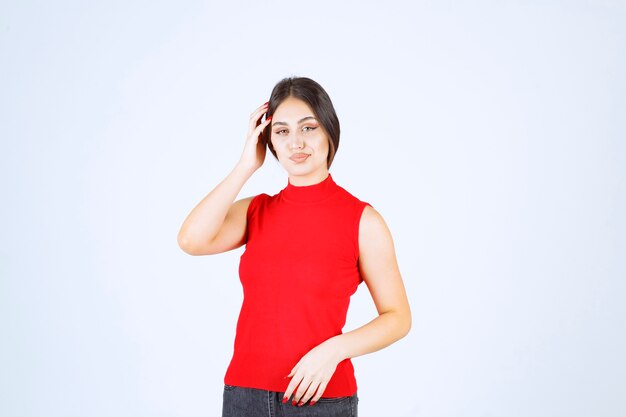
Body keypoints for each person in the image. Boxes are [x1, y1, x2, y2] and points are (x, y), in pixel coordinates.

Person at [177, 77, 411, 417]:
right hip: (245, 396)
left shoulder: (363, 220)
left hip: (321, 399)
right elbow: (191, 240)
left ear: (329, 131)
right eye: (282, 131)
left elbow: (398, 317)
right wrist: (246, 166)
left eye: (308, 127)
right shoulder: (256, 210)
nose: (296, 142)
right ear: (268, 141)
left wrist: (335, 350)